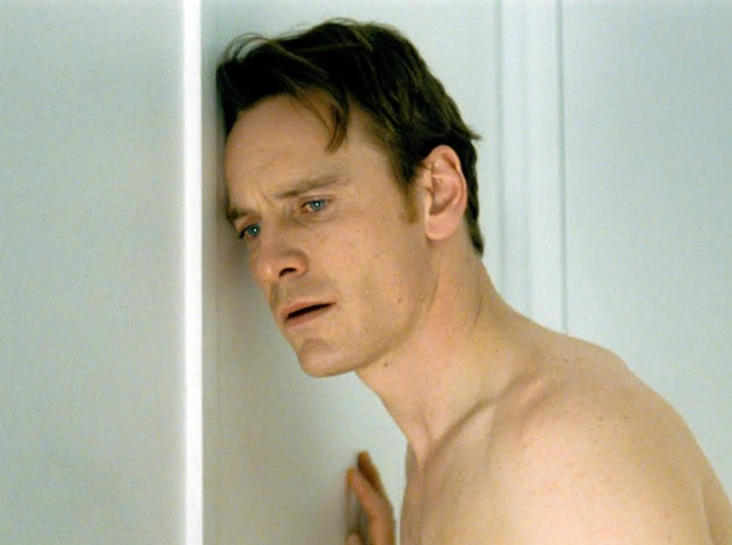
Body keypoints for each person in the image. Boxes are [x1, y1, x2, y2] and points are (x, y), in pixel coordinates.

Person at [217, 19, 732, 545]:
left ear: (437, 193)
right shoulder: (445, 459)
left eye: (313, 205)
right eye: (251, 228)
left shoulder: (562, 450)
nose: (267, 263)